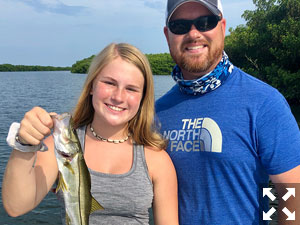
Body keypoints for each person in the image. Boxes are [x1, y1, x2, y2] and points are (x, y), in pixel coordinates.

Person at [155, 0, 300, 224]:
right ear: (167, 35)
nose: (193, 34)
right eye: (180, 26)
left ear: (222, 27)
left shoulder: (265, 102)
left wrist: (270, 217)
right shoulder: (156, 111)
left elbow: (291, 193)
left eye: (205, 23)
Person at [2, 43, 179, 225]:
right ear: (92, 86)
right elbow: (16, 206)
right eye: (109, 83)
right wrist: (24, 145)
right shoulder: (59, 146)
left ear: (142, 98)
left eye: (131, 89)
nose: (118, 96)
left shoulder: (157, 159)